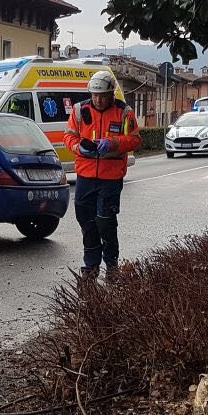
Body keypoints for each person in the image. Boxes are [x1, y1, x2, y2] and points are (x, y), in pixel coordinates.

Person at [64, 71, 142, 281]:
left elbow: (135, 140)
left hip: (111, 177)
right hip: (86, 175)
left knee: (106, 222)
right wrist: (80, 147)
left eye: (103, 96)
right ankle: (91, 267)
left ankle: (112, 266)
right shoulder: (80, 110)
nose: (98, 100)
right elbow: (69, 136)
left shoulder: (124, 112)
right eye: (95, 95)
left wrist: (114, 143)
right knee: (86, 222)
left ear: (111, 94)